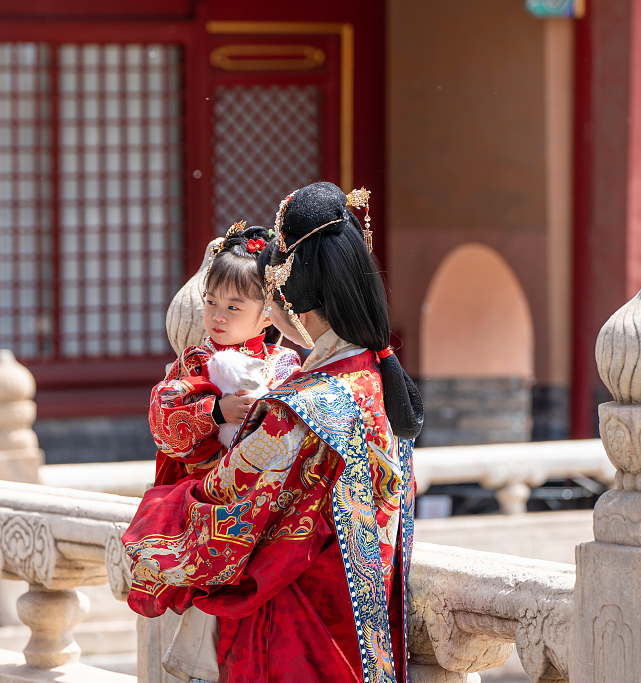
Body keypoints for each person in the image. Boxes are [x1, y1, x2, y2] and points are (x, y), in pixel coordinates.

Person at [124, 182, 422, 683]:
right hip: (364, 636)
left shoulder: (299, 408)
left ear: (280, 299)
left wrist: (150, 526)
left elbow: (221, 520)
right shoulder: (376, 382)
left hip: (291, 637)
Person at [147, 222, 301, 682]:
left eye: (234, 306)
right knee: (211, 613)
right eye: (212, 302)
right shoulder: (192, 362)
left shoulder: (287, 366)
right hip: (209, 505)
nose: (218, 315)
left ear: (267, 314)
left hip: (267, 510)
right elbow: (163, 419)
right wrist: (216, 411)